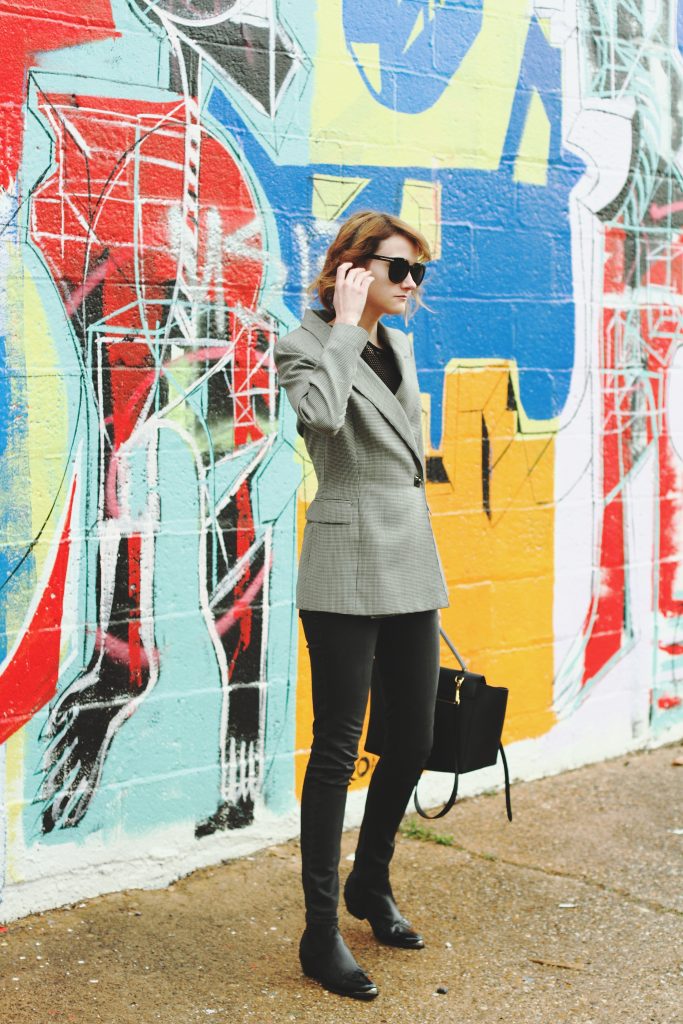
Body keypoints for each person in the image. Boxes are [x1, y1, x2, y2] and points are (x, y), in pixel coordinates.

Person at [273, 210, 449, 1000]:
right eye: (396, 269)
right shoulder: (303, 342)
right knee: (339, 747)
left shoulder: (401, 345)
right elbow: (320, 419)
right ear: (351, 268)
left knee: (412, 736)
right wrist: (343, 326)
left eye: (418, 272)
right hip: (344, 563)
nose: (410, 285)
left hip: (409, 557)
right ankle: (318, 934)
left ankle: (368, 881)